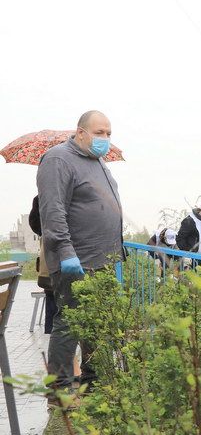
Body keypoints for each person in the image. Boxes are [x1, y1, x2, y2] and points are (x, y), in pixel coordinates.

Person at [37, 110, 124, 391]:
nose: (105, 139)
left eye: (109, 133)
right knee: (71, 321)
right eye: (100, 133)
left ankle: (92, 380)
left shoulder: (99, 163)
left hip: (103, 259)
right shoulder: (58, 159)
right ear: (81, 132)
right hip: (77, 258)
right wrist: (65, 250)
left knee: (95, 322)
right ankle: (60, 387)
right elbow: (52, 211)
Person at [28, 196, 56, 333]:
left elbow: (33, 222)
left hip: (49, 264)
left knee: (52, 297)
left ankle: (51, 335)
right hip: (54, 262)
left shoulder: (41, 197)